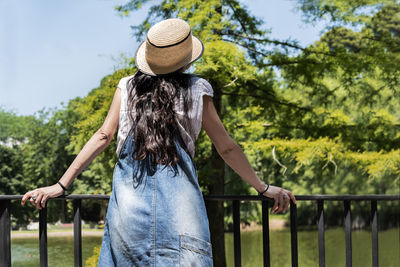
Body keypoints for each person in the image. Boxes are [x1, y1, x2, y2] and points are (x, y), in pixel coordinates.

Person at [21, 18, 296, 266]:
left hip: (128, 215)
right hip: (182, 213)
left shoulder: (127, 86)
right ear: (186, 60)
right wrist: (263, 187)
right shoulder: (198, 89)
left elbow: (103, 136)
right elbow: (226, 147)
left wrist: (61, 184)